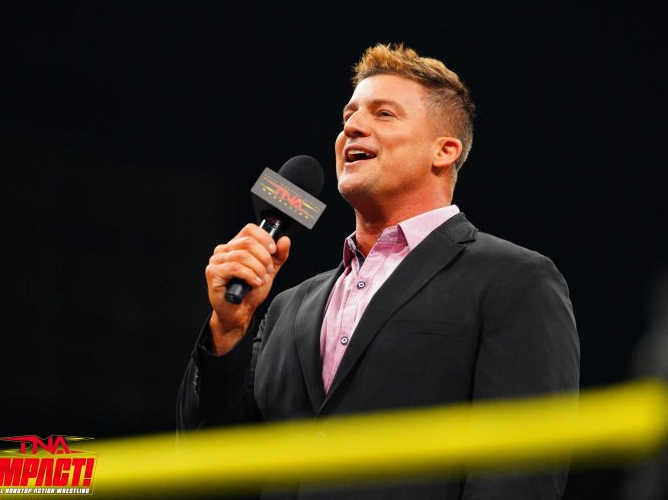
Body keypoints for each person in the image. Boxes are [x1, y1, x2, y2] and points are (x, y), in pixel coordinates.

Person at [177, 43, 580, 499]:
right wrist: (229, 330)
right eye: (348, 116)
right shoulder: (288, 308)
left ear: (444, 151)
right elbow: (215, 464)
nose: (351, 127)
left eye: (383, 114)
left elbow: (519, 473)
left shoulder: (514, 280)